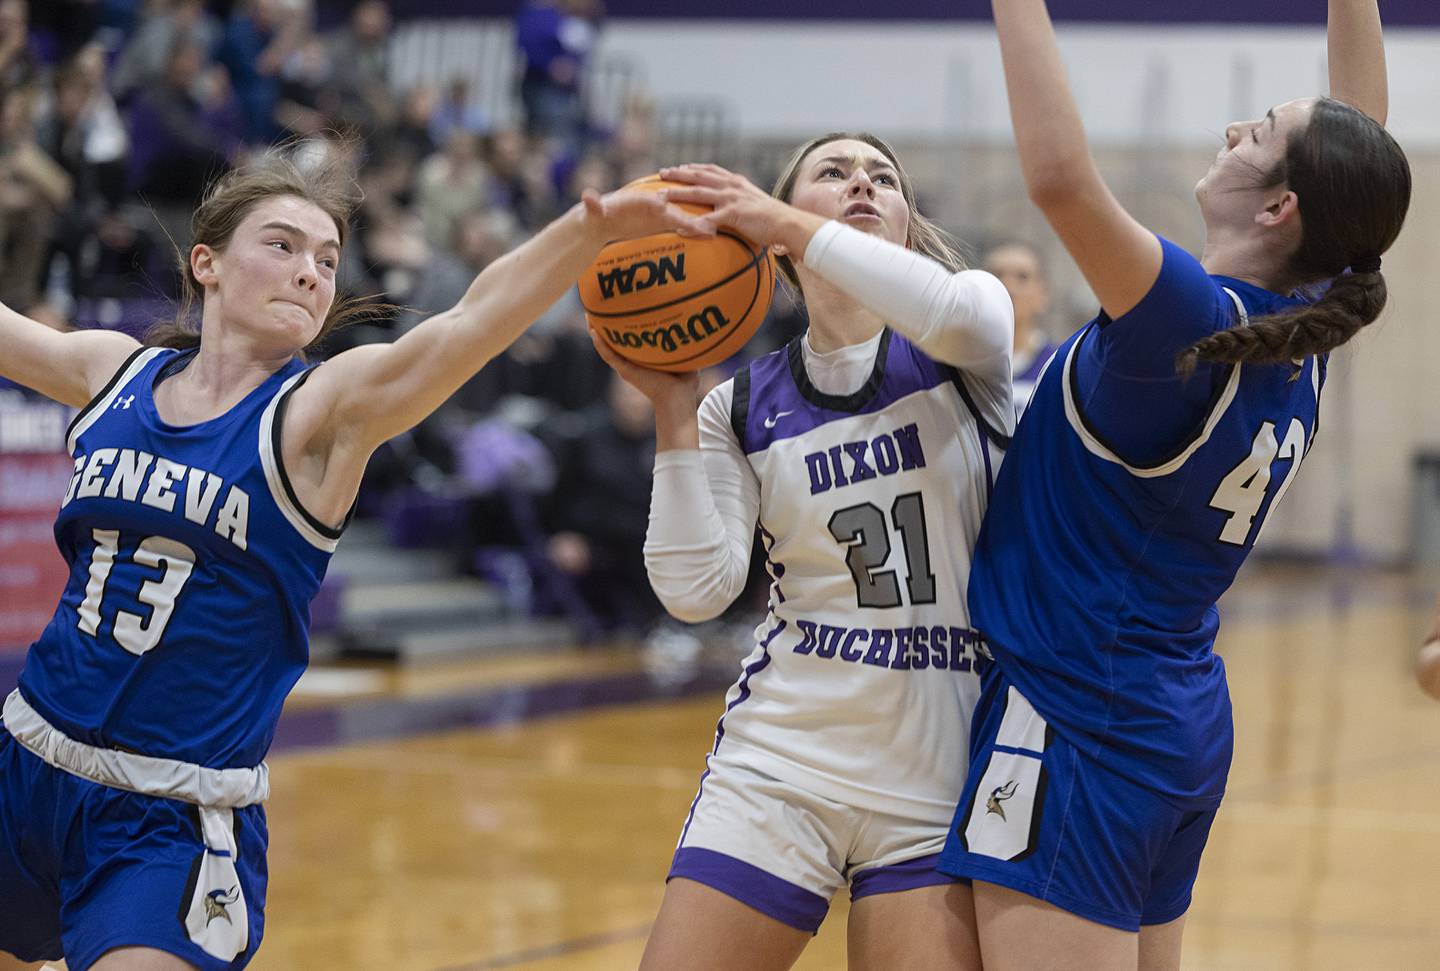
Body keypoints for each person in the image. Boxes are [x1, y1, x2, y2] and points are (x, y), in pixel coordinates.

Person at [0, 146, 704, 971]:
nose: (310, 271)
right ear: (208, 264)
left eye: (327, 259)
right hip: (26, 759)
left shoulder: (317, 412)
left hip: (169, 819)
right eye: (284, 245)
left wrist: (589, 231)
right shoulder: (113, 371)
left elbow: (467, 325)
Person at [936, 2, 1410, 969]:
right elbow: (1361, 152)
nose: (1236, 129)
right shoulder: (1307, 322)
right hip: (1171, 715)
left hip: (1077, 721)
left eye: (1262, 131)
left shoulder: (1183, 321)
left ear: (1281, 208)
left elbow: (1061, 180)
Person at [590, 133, 1014, 970]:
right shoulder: (741, 404)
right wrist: (677, 407)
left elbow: (964, 312)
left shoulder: (966, 336)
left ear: (906, 224)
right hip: (782, 757)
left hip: (936, 769)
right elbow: (697, 589)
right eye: (834, 171)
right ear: (773, 245)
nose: (863, 181)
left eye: (884, 177)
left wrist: (782, 216)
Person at [983, 241, 1056, 418]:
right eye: (998, 275)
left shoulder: (1057, 366)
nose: (1009, 287)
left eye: (1022, 277)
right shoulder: (961, 364)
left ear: (1043, 295)